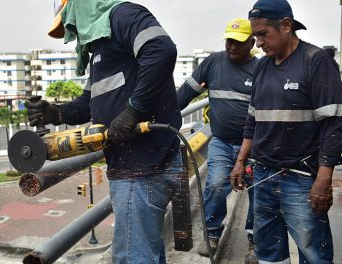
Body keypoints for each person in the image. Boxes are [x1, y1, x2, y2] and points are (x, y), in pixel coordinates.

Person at [26, 0, 183, 263]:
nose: (74, 35)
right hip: (134, 169)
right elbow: (89, 103)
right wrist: (55, 113)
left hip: (142, 169)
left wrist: (133, 111)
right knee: (146, 251)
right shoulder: (102, 50)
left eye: (71, 24)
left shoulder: (122, 15)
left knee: (132, 257)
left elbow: (161, 50)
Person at [230, 0, 342, 263]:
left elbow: (333, 125)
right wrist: (241, 161)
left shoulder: (316, 62)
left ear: (286, 26)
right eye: (255, 35)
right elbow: (252, 120)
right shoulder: (262, 67)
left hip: (301, 178)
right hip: (264, 174)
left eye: (262, 34)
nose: (258, 43)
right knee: (268, 249)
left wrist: (324, 180)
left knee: (313, 252)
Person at [177, 18, 258, 262]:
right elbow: (184, 94)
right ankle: (212, 233)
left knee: (257, 190)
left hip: (254, 143)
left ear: (252, 42)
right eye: (229, 41)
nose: (232, 46)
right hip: (221, 140)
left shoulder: (261, 68)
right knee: (215, 184)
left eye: (238, 42)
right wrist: (163, 116)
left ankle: (256, 239)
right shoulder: (213, 62)